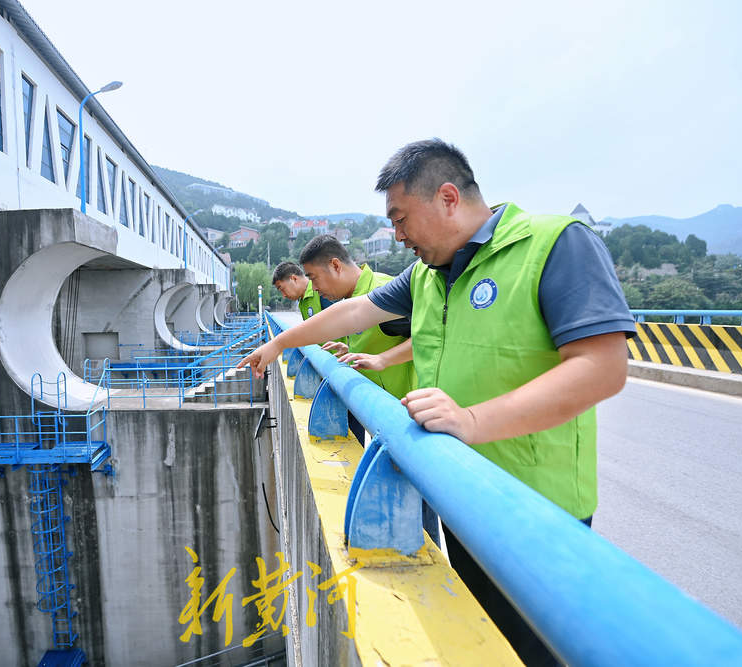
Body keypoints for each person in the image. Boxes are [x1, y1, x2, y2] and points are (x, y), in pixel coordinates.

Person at [240, 138, 635, 666]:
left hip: (537, 510)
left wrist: (471, 420)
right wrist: (280, 342)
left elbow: (602, 367)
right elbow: (356, 312)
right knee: (482, 643)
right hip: (457, 489)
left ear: (448, 197)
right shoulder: (428, 274)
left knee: (534, 652)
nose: (398, 236)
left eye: (402, 220)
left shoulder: (554, 243)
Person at [298, 235, 415, 402]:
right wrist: (350, 350)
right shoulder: (354, 296)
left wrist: (383, 359)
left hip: (407, 408)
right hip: (379, 406)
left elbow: (429, 338)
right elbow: (385, 339)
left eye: (314, 278)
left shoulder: (382, 293)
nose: (314, 288)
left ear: (336, 265)